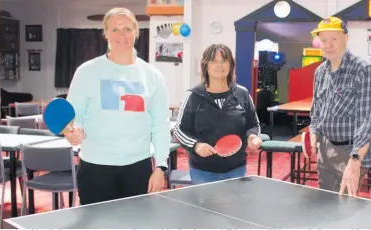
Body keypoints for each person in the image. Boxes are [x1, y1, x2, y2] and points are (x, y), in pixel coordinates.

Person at [64, 7, 170, 205]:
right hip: (95, 167)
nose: (122, 35)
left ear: (136, 32)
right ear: (105, 34)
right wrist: (74, 130)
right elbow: (73, 114)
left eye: (127, 29)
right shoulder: (86, 72)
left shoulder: (153, 76)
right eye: (115, 29)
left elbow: (160, 124)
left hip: (138, 167)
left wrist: (160, 167)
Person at [309, 16, 371, 197]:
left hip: (351, 151)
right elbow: (316, 108)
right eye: (324, 40)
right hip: (326, 149)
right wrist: (313, 132)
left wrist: (355, 160)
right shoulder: (320, 72)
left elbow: (368, 120)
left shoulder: (363, 70)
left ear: (346, 39)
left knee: (344, 208)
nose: (328, 45)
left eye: (334, 39)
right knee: (325, 202)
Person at [173, 44, 262, 184]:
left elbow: (253, 123)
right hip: (203, 171)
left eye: (224, 61)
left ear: (230, 65)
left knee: (235, 206)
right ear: (205, 65)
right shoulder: (193, 96)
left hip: (236, 168)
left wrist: (252, 136)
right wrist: (196, 145)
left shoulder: (242, 93)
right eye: (214, 61)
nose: (219, 65)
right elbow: (179, 130)